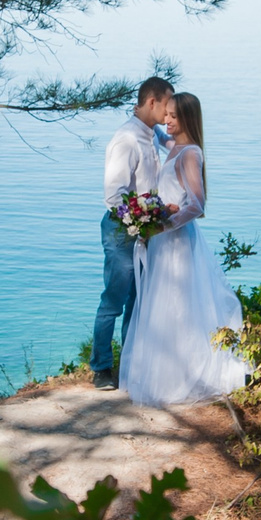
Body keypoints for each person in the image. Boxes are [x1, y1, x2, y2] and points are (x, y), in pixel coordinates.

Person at [120, 92, 250, 406]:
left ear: (187, 118)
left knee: (177, 305)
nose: (167, 120)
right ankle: (164, 372)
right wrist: (142, 117)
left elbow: (197, 204)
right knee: (162, 304)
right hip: (164, 241)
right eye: (166, 114)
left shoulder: (190, 153)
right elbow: (161, 135)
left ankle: (181, 376)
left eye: (174, 116)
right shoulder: (174, 146)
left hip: (176, 241)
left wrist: (163, 225)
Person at [92, 76, 175, 388]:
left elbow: (176, 146)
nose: (169, 112)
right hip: (121, 229)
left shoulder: (150, 133)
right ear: (152, 102)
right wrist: (139, 222)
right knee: (114, 300)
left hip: (146, 228)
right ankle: (101, 368)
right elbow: (113, 196)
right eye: (167, 105)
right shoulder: (127, 139)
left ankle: (128, 365)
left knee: (138, 301)